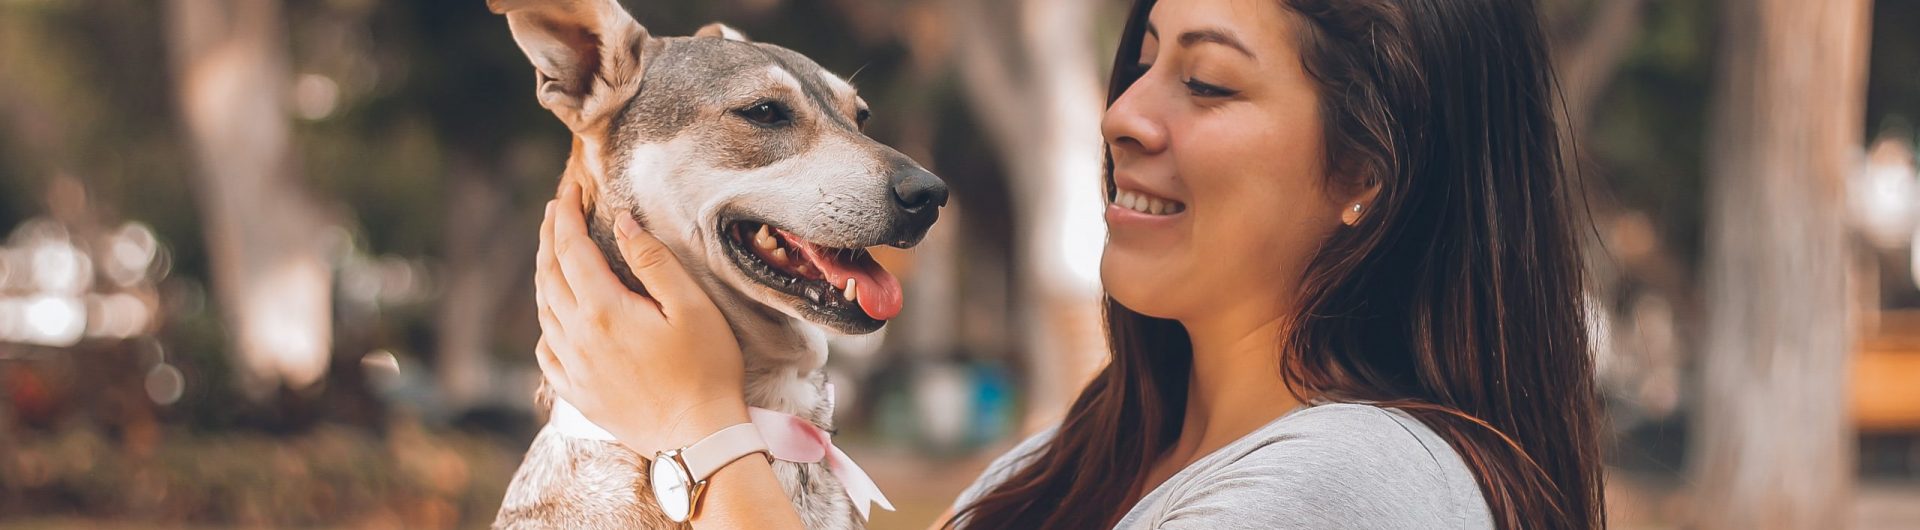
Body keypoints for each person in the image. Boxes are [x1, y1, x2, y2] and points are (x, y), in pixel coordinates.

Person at [529, 0, 1605, 527]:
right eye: (1138, 63)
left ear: (1366, 169)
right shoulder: (1048, 472)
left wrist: (699, 432)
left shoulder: (1356, 486)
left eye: (1210, 84)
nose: (1124, 114)